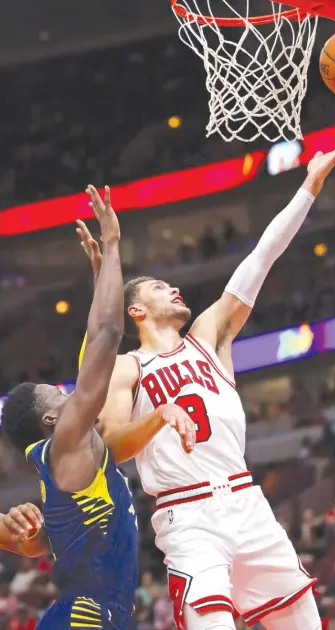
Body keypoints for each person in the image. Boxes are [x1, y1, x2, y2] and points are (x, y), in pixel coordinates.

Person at [78, 140, 335, 630]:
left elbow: (261, 258)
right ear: (136, 311)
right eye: (158, 288)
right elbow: (113, 448)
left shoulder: (209, 335)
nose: (174, 287)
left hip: (246, 501)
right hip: (187, 517)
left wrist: (309, 188)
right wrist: (159, 415)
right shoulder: (128, 368)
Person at [2, 186, 196, 630]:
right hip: (84, 619)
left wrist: (99, 280)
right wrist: (111, 247)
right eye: (57, 393)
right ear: (52, 420)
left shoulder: (70, 464)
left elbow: (98, 355)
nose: (68, 389)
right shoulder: (67, 444)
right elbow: (108, 334)